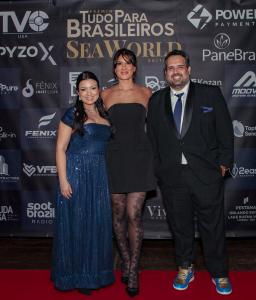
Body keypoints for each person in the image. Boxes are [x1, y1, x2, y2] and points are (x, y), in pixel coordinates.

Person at [147, 49, 234, 296]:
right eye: (170, 68)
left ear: (188, 69)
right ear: (165, 74)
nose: (175, 71)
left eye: (179, 66)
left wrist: (223, 165)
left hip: (207, 175)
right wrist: (159, 169)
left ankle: (219, 273)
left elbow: (226, 132)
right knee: (180, 227)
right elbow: (152, 139)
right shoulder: (156, 100)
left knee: (213, 228)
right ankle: (185, 267)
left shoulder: (210, 94)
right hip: (172, 177)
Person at [51, 71, 114, 295]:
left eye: (93, 88)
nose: (89, 93)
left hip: (99, 176)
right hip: (75, 174)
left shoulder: (105, 114)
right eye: (84, 89)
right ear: (78, 92)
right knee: (76, 225)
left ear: (99, 90)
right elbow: (60, 148)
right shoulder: (72, 114)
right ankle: (74, 275)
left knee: (96, 225)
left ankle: (93, 274)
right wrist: (63, 181)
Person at [101, 48, 156, 297]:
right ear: (114, 68)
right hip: (114, 159)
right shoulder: (105, 94)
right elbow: (95, 128)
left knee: (135, 216)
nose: (123, 67)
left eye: (128, 63)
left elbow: (156, 129)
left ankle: (134, 269)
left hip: (140, 159)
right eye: (119, 63)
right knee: (118, 215)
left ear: (134, 67)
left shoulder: (147, 93)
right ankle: (124, 259)